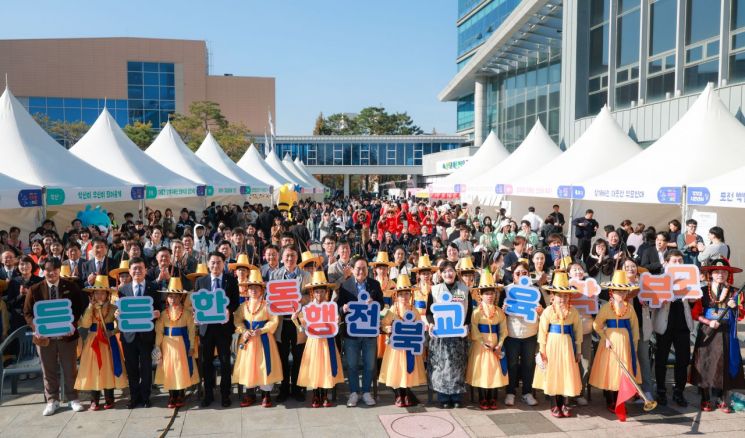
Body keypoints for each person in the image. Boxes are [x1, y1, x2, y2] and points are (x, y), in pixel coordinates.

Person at [23, 258, 87, 416]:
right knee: (48, 370)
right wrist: (35, 326)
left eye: (54, 270)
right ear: (43, 271)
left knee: (70, 368)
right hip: (44, 338)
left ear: (59, 270)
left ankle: (74, 398)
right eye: (47, 270)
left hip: (67, 336)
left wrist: (73, 323)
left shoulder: (71, 287)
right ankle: (52, 400)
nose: (51, 273)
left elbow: (79, 307)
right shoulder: (35, 289)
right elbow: (27, 313)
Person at [690, 257, 745, 413]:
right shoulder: (701, 291)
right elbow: (696, 313)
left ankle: (723, 399)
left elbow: (741, 314)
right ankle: (705, 398)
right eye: (717, 272)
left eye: (724, 272)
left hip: (726, 332)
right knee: (705, 363)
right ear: (711, 274)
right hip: (707, 332)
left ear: (728, 275)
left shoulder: (735, 292)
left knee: (724, 364)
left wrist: (735, 308)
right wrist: (708, 322)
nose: (720, 274)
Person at [589, 270, 641, 413]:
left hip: (625, 341)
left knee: (622, 370)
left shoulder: (629, 308)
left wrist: (634, 345)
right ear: (612, 292)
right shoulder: (606, 307)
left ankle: (620, 399)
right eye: (618, 291)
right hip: (610, 342)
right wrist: (604, 338)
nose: (621, 295)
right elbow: (596, 324)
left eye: (624, 292)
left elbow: (635, 327)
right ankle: (610, 400)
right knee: (611, 370)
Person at [533, 271, 583, 418]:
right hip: (552, 345)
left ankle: (566, 403)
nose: (562, 298)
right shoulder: (548, 311)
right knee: (554, 372)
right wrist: (542, 351)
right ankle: (554, 404)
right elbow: (542, 332)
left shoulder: (573, 312)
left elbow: (578, 332)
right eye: (559, 295)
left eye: (565, 295)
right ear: (553, 296)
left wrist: (578, 350)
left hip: (567, 345)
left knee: (567, 372)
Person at [74, 276, 127, 410]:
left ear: (108, 294)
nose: (100, 295)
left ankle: (109, 397)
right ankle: (95, 399)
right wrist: (90, 307)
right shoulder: (90, 308)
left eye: (103, 292)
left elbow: (120, 325)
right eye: (96, 292)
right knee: (94, 369)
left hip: (108, 341)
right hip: (93, 341)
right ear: (92, 295)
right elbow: (85, 324)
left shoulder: (114, 307)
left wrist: (113, 331)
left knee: (108, 368)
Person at [194, 251, 240, 408]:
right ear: (208, 264)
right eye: (212, 262)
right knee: (206, 362)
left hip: (224, 328)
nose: (215, 265)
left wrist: (229, 309)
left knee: (225, 362)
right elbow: (197, 304)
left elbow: (235, 302)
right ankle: (208, 395)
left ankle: (225, 394)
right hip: (206, 329)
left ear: (224, 263)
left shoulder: (231, 280)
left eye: (219, 262)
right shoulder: (201, 281)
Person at [338, 255, 385, 407]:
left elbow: (382, 305)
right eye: (358, 268)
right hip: (351, 333)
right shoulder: (345, 286)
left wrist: (374, 302)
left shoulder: (374, 284)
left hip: (369, 332)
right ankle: (353, 392)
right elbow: (338, 306)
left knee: (369, 364)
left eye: (364, 268)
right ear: (351, 269)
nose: (361, 271)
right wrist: (343, 308)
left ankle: (366, 392)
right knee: (352, 364)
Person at [232, 269, 282, 408]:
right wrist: (243, 331)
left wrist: (263, 330)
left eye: (256, 288)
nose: (253, 290)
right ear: (247, 291)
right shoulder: (243, 306)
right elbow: (237, 320)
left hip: (263, 339)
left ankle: (266, 395)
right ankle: (250, 394)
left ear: (262, 290)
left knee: (264, 365)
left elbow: (274, 321)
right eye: (251, 288)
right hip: (248, 340)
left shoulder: (268, 305)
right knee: (249, 366)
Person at [117, 257, 162, 409]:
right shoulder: (123, 289)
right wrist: (118, 313)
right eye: (134, 268)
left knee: (146, 367)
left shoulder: (153, 287)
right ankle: (134, 397)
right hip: (128, 335)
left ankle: (145, 397)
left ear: (145, 270)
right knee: (131, 368)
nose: (137, 271)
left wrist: (158, 312)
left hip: (147, 335)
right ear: (129, 271)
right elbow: (120, 310)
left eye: (140, 268)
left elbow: (161, 307)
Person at [427, 260, 472, 409]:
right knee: (442, 366)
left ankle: (457, 396)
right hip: (441, 335)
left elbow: (469, 311)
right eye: (445, 271)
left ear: (455, 272)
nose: (448, 274)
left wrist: (466, 325)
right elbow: (428, 312)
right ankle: (443, 397)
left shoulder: (464, 289)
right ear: (440, 274)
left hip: (458, 335)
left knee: (457, 366)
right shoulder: (435, 290)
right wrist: (431, 323)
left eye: (451, 270)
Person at [295, 271, 345, 408]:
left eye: (322, 291)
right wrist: (296, 318)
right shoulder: (308, 308)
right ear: (312, 293)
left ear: (326, 292)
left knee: (326, 367)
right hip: (314, 342)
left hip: (327, 341)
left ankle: (325, 394)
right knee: (315, 367)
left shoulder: (331, 307)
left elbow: (336, 321)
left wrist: (337, 320)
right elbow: (302, 323)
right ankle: (316, 394)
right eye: (317, 292)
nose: (319, 294)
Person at [270, 245, 311, 402]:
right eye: (287, 256)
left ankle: (297, 387)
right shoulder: (275, 275)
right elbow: (269, 297)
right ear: (281, 258)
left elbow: (311, 295)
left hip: (299, 323)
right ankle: (284, 387)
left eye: (293, 255)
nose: (289, 259)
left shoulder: (306, 275)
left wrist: (302, 299)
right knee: (282, 356)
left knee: (298, 356)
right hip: (281, 322)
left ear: (297, 257)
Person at [378, 274, 427, 407]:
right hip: (396, 348)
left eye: (407, 294)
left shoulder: (414, 310)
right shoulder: (392, 310)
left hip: (410, 347)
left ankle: (406, 394)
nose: (404, 297)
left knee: (407, 371)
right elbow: (383, 324)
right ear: (396, 296)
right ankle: (399, 395)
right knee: (397, 371)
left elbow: (419, 327)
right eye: (401, 294)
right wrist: (388, 329)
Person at [651, 250, 691, 407]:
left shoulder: (689, 278)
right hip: (664, 322)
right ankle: (660, 390)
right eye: (674, 261)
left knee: (683, 359)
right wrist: (659, 300)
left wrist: (692, 297)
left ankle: (679, 391)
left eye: (680, 260)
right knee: (661, 358)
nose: (678, 263)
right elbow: (652, 301)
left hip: (683, 321)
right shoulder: (659, 279)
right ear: (666, 263)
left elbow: (694, 299)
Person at [502, 261, 542, 407]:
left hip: (530, 333)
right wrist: (502, 308)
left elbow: (543, 310)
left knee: (528, 364)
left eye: (524, 273)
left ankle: (527, 392)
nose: (521, 275)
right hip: (512, 333)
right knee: (511, 364)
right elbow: (500, 313)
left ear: (529, 275)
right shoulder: (507, 290)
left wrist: (540, 310)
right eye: (518, 273)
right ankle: (510, 392)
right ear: (513, 275)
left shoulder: (535, 290)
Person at [465, 270, 507, 410]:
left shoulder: (499, 312)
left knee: (494, 370)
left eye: (492, 293)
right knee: (482, 370)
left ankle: (493, 397)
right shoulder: (476, 312)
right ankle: (482, 398)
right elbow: (474, 329)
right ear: (480, 295)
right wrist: (482, 342)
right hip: (481, 345)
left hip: (495, 344)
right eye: (486, 293)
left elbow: (503, 330)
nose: (490, 296)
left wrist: (500, 344)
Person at [153, 280, 199, 409]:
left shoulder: (187, 313)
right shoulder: (163, 314)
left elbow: (191, 330)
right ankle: (171, 395)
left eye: (176, 296)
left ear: (181, 297)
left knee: (180, 368)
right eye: (170, 296)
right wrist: (157, 346)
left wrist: (191, 347)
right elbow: (159, 331)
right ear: (167, 298)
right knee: (169, 368)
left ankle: (180, 394)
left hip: (181, 344)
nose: (173, 299)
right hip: (167, 344)